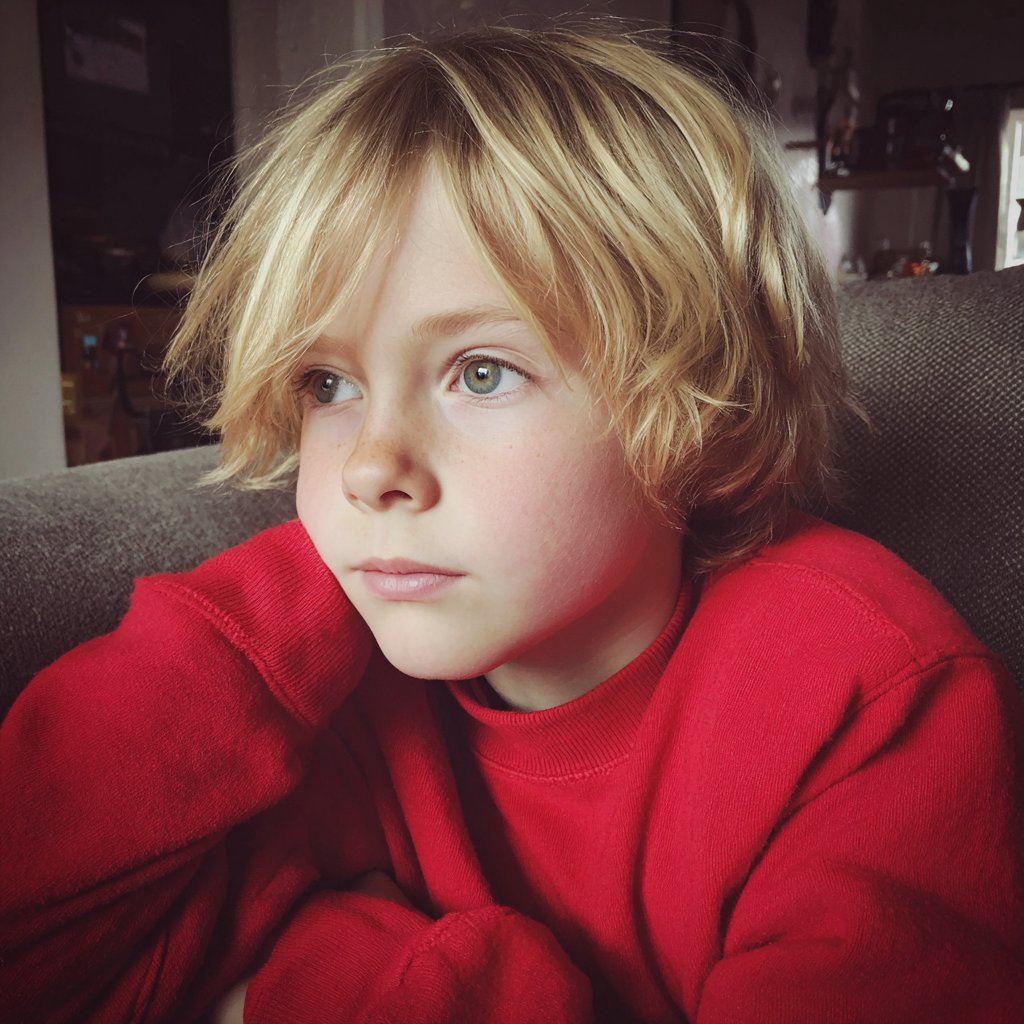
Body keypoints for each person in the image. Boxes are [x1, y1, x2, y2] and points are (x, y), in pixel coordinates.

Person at [2, 25, 1022, 1024]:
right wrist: (260, 621)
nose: (369, 466)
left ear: (702, 405)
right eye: (328, 382)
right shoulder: (333, 685)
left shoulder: (870, 694)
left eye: (481, 371)